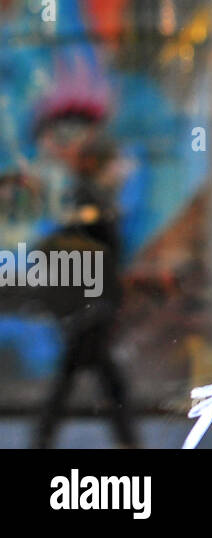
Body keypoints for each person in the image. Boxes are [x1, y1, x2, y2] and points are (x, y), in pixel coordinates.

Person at [32, 134, 137, 448]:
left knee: (90, 374)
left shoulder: (93, 196)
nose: (120, 169)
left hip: (92, 299)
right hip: (91, 300)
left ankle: (44, 437)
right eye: (112, 163)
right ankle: (125, 439)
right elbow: (84, 245)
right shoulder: (87, 197)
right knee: (95, 375)